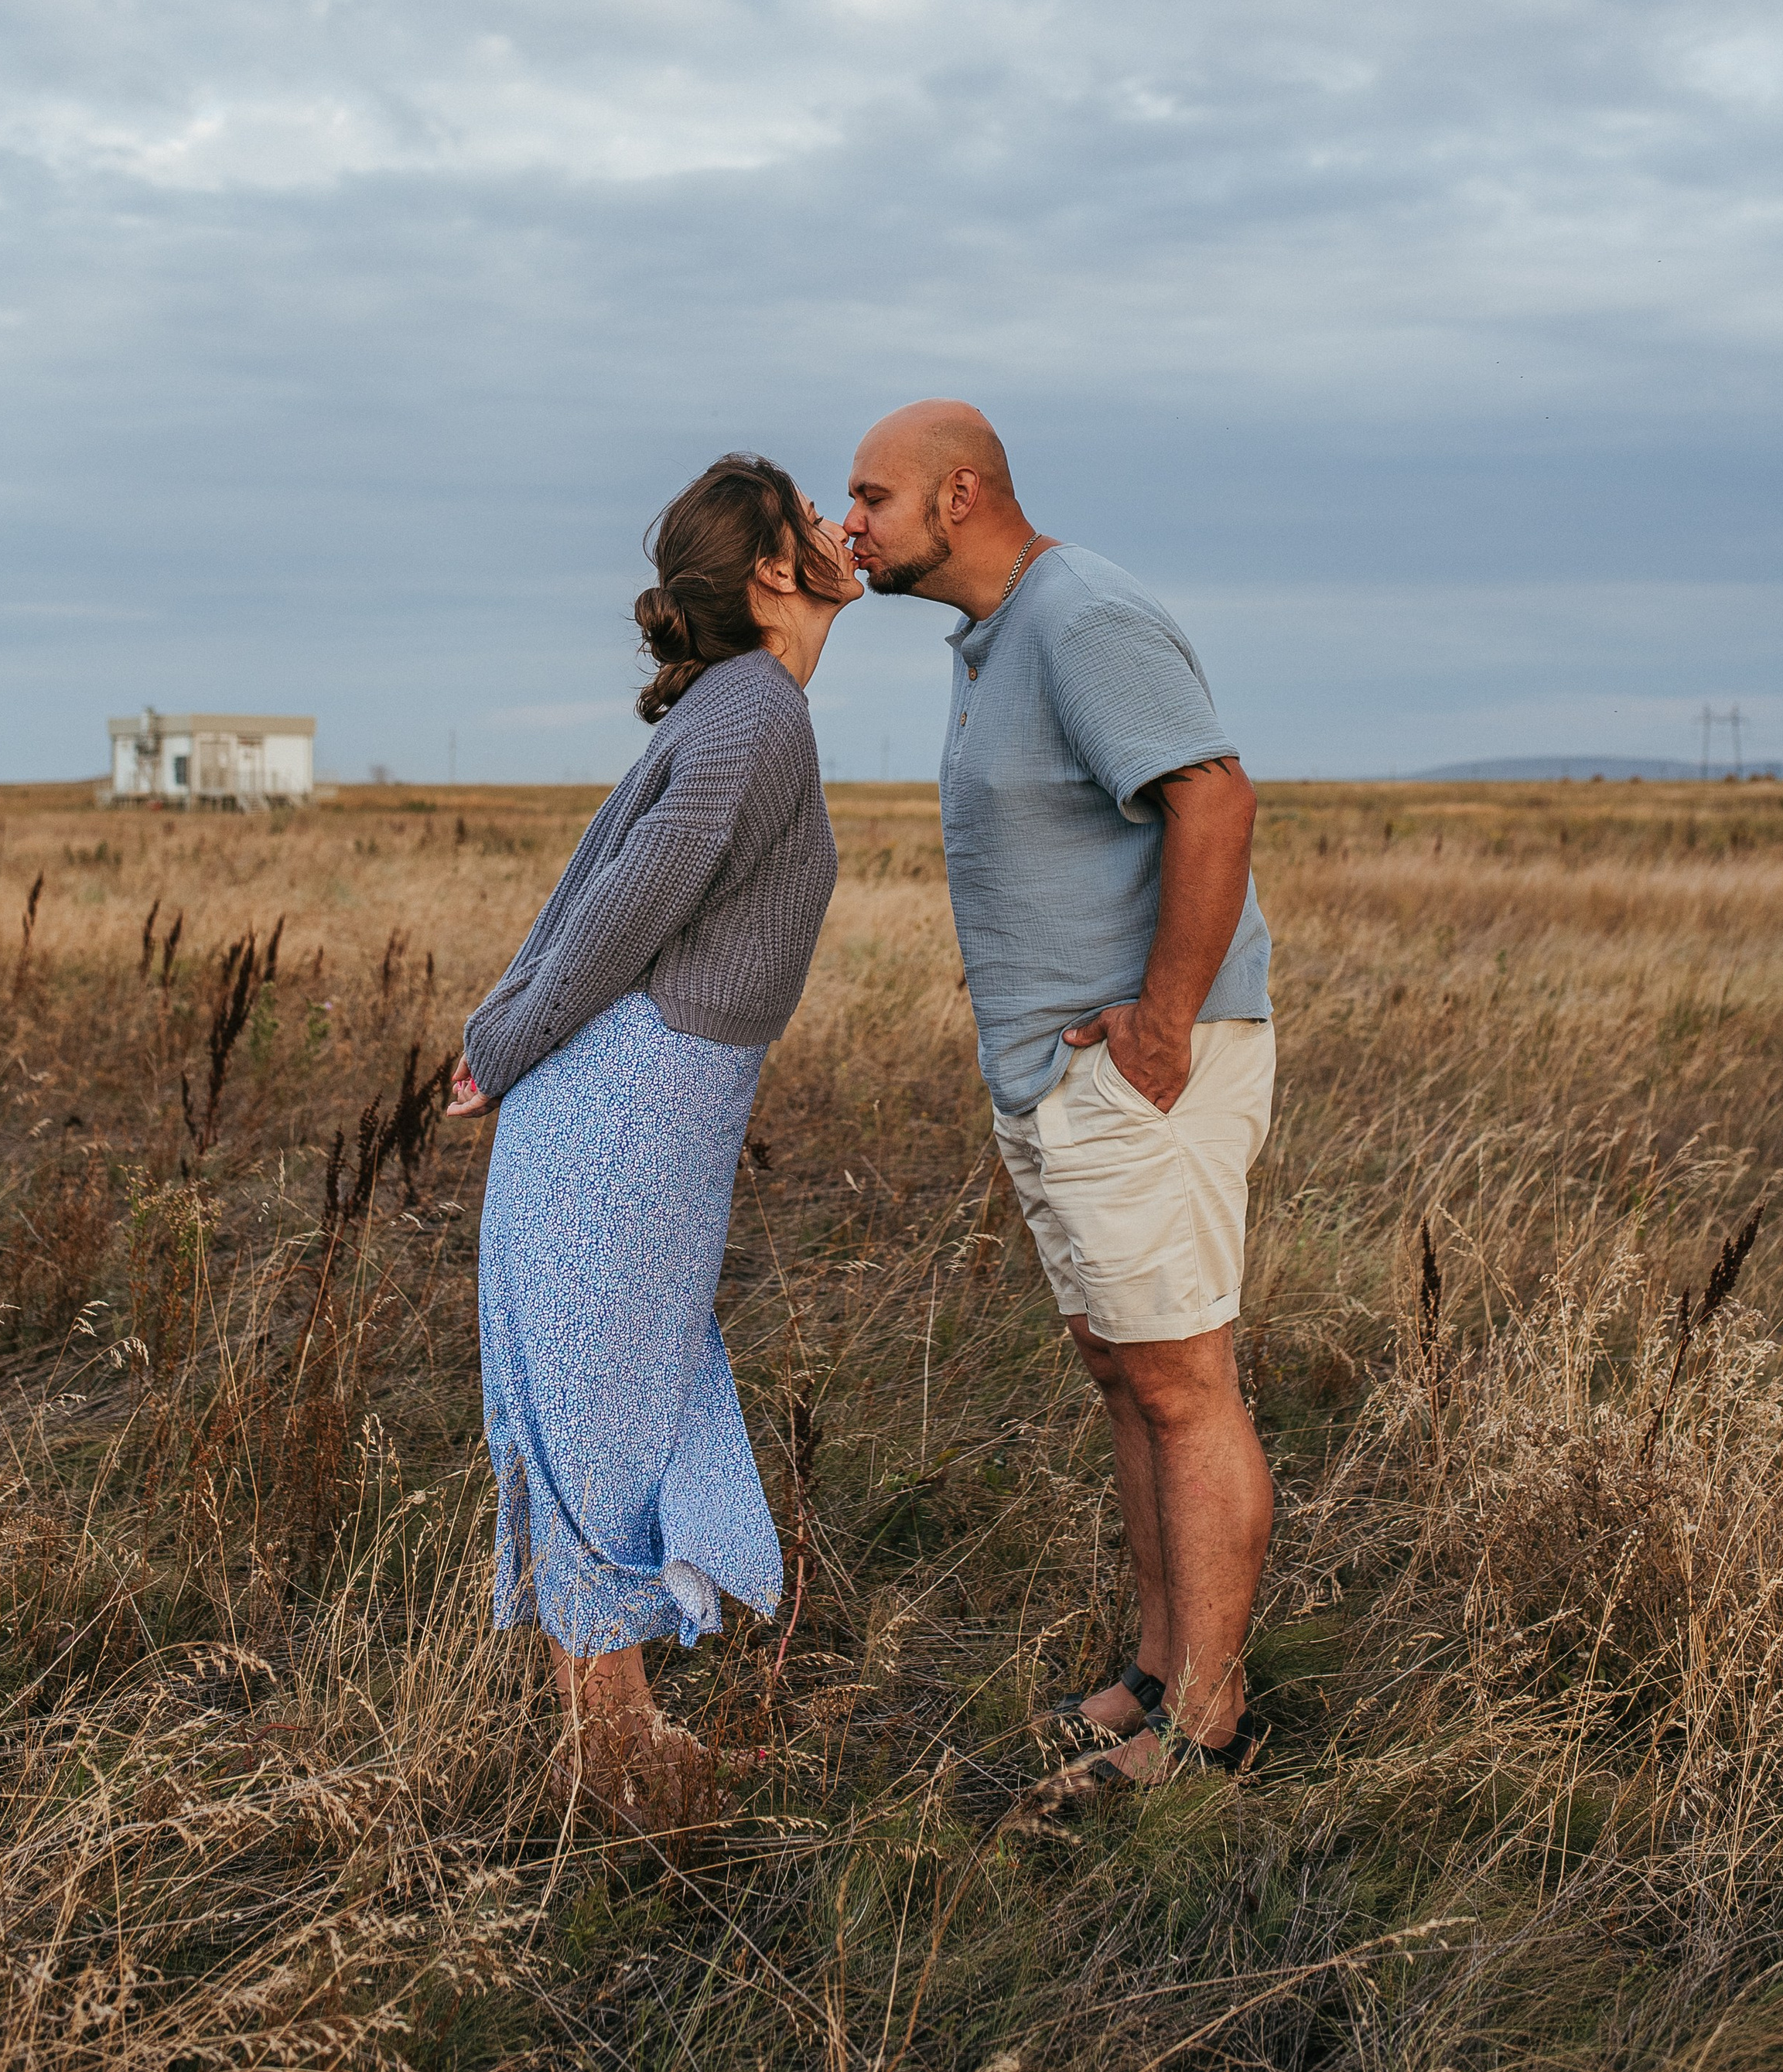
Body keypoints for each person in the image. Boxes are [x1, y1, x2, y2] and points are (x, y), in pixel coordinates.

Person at [844, 401, 1274, 1807]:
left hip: (1135, 1077)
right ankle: (1158, 1674)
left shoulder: (1079, 618)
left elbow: (1213, 795)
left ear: (959, 495)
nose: (852, 527)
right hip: (1056, 1080)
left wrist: (1160, 1026)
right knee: (1124, 1373)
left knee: (1183, 1383)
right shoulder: (995, 639)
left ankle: (1206, 1731)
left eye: (872, 500)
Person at [447, 455, 861, 1823]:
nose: (837, 529)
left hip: (646, 1103)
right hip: (627, 1105)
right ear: (772, 573)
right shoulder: (755, 720)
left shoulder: (744, 711)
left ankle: (609, 1748)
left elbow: (598, 886)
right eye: (812, 518)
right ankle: (620, 1761)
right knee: (605, 1408)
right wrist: (502, 1044)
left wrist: (505, 1024)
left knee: (614, 1396)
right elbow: (623, 906)